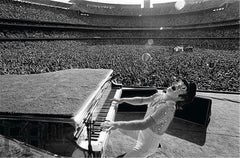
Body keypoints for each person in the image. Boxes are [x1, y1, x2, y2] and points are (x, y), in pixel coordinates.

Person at [101, 79, 197, 158]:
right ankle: (156, 144)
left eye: (182, 88)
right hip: (142, 133)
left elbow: (143, 124)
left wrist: (115, 124)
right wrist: (123, 100)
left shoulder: (168, 108)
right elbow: (142, 100)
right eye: (179, 83)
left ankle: (153, 147)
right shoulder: (160, 95)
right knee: (120, 127)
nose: (178, 85)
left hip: (147, 144)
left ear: (181, 98)